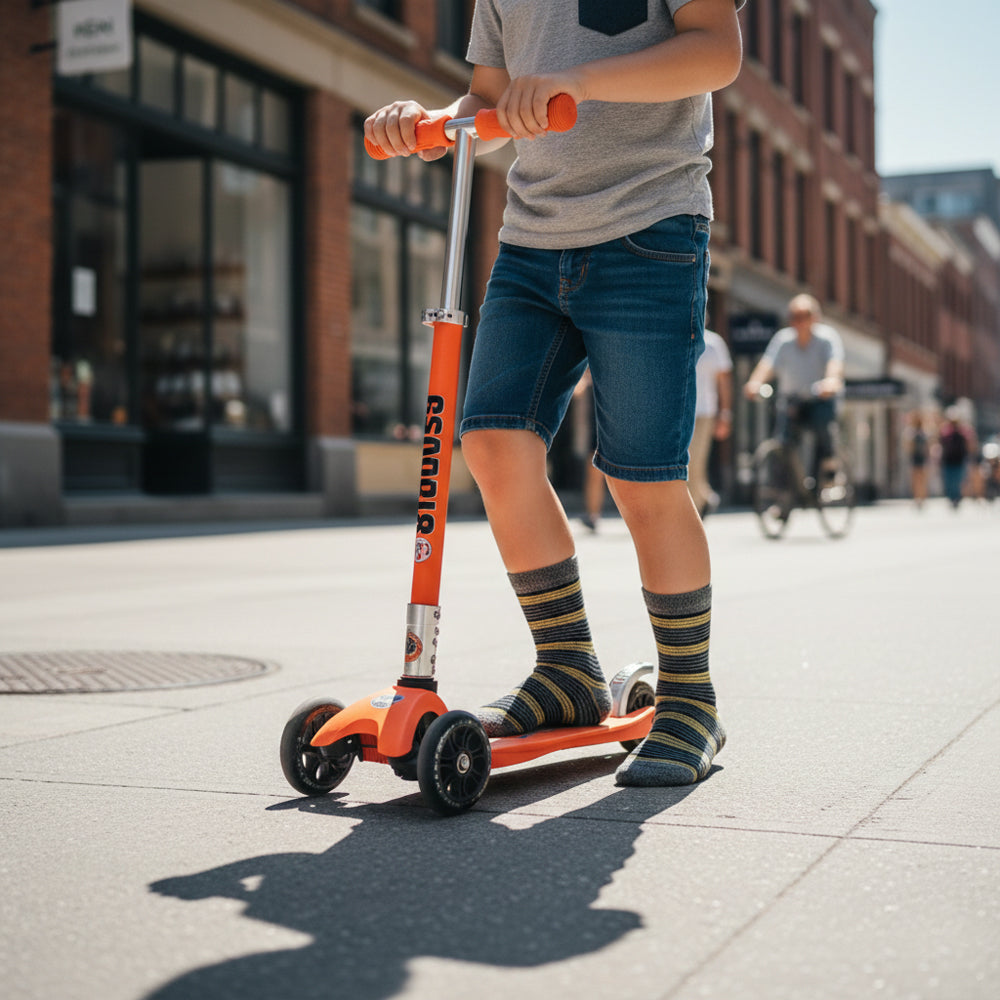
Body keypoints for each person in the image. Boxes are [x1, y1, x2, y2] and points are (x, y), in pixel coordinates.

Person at [365, 0, 744, 787]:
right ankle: (568, 669)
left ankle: (690, 700)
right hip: (533, 239)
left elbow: (715, 53)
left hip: (651, 224)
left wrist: (578, 77)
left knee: (642, 477)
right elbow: (491, 101)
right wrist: (434, 122)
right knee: (494, 444)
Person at [743, 294, 845, 483]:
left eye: (804, 316)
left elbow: (835, 365)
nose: (798, 322)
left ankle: (829, 466)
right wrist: (754, 382)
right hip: (792, 399)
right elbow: (767, 364)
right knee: (782, 441)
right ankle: (785, 493)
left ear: (815, 317)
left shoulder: (827, 339)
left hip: (818, 398)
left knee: (823, 426)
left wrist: (831, 381)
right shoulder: (783, 340)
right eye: (794, 317)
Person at [688, 327, 733, 517]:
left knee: (694, 461)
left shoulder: (714, 343)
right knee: (687, 462)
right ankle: (705, 497)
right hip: (679, 411)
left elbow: (723, 381)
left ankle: (696, 508)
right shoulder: (675, 336)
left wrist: (725, 413)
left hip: (705, 412)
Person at [571, 367, 610, 532]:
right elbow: (576, 391)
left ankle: (593, 514)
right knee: (594, 471)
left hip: (607, 424)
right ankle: (593, 514)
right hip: (596, 425)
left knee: (601, 473)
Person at [938, 408, 970, 508]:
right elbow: (940, 444)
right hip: (948, 459)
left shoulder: (963, 431)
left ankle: (956, 497)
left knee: (957, 479)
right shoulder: (945, 431)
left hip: (958, 459)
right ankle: (952, 497)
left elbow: (968, 444)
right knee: (950, 480)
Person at [905, 411, 930, 509]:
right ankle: (920, 498)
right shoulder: (922, 433)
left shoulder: (912, 433)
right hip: (920, 459)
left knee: (917, 480)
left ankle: (918, 498)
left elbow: (908, 447)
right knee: (920, 480)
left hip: (916, 458)